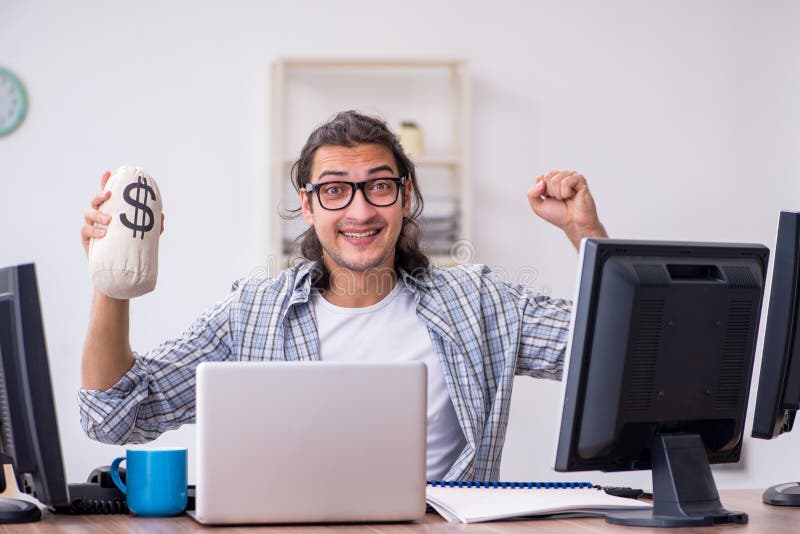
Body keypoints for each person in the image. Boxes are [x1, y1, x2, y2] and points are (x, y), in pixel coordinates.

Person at [78, 111, 607, 481]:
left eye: (379, 186)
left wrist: (585, 234)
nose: (360, 211)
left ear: (405, 197)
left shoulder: (479, 303)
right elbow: (112, 414)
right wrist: (109, 278)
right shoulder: (252, 312)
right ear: (308, 206)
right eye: (334, 190)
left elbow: (615, 353)